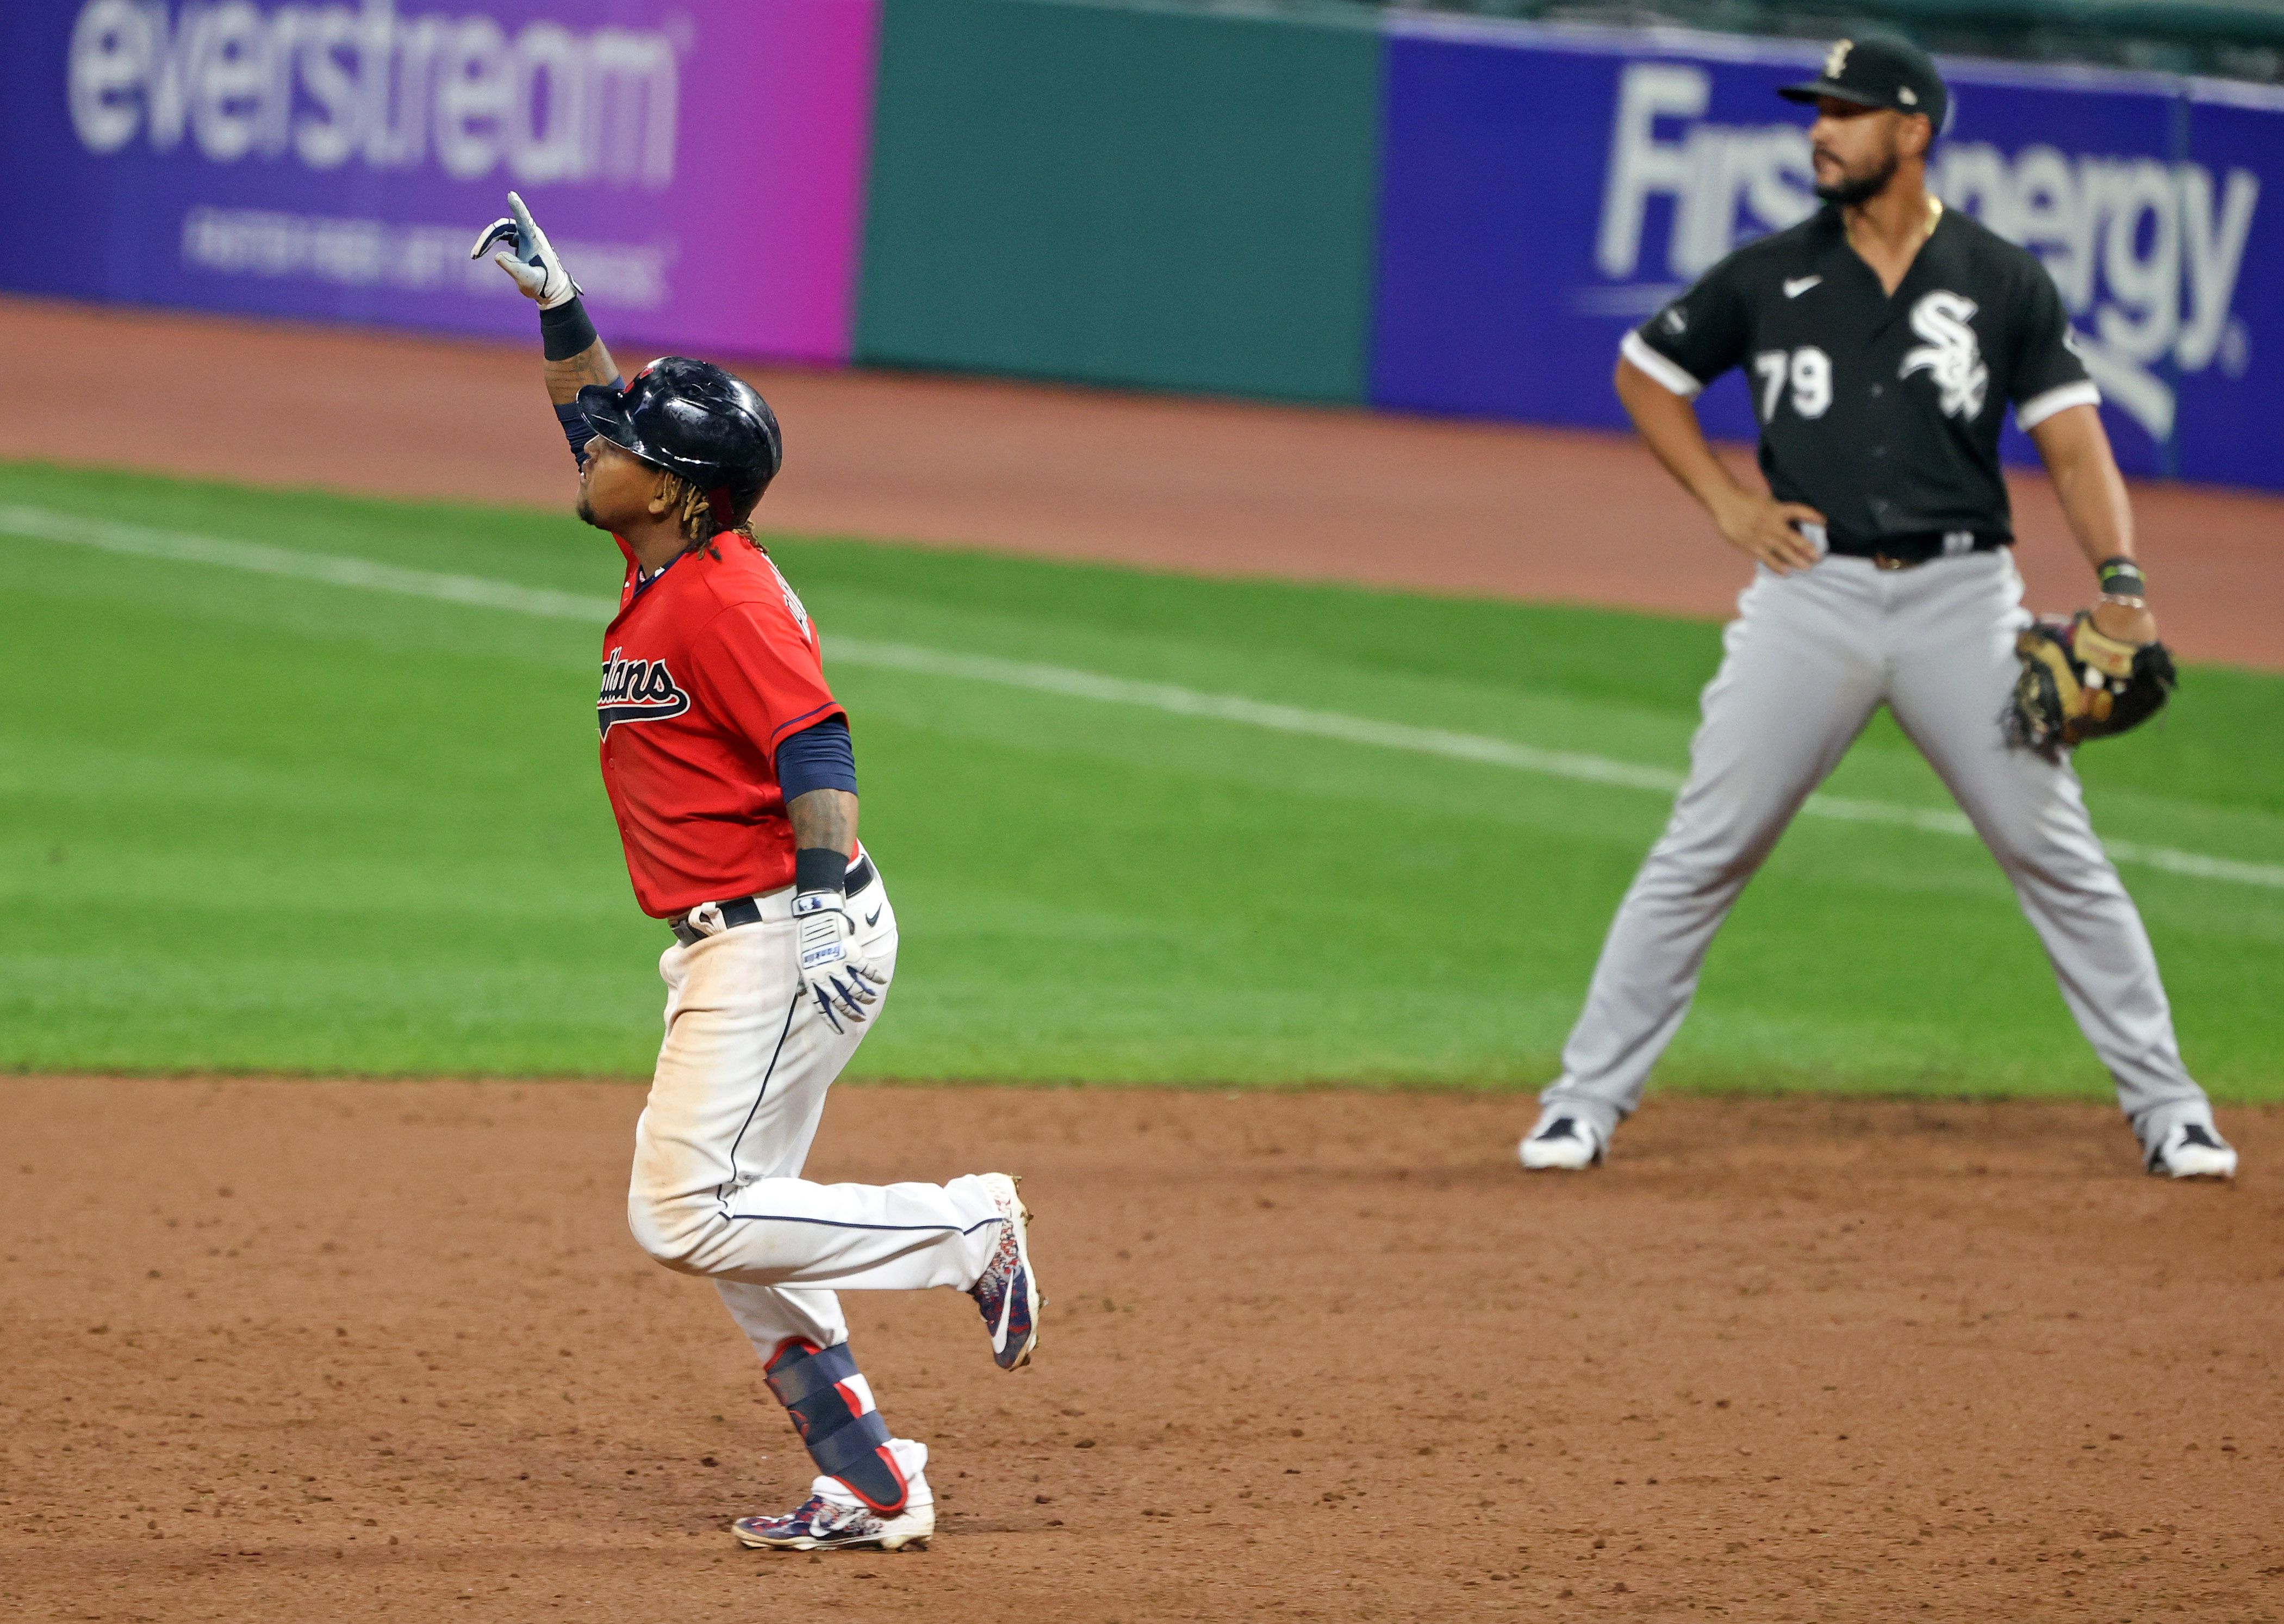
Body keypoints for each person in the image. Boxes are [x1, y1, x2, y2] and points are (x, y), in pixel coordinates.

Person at [1516, 38, 2237, 1181]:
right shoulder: (1766, 274)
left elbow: (2073, 446)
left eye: (1849, 112)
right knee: (1704, 848)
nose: (1821, 129)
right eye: (1819, 111)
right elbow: (1644, 371)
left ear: (1912, 131)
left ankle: (2170, 1108)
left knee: (2056, 856)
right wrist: (1722, 502)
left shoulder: (2001, 280)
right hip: (1811, 596)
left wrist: (2122, 584)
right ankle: (1582, 1101)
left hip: (1962, 603)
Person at [472, 194, 1046, 1552]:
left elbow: (816, 738)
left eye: (626, 446)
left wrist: (833, 899)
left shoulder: (724, 593)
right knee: (747, 1223)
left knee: (682, 1207)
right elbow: (594, 416)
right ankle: (870, 1478)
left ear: (673, 487)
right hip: (746, 936)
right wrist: (560, 309)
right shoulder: (663, 545)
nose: (595, 446)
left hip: (789, 930)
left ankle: (970, 1230)